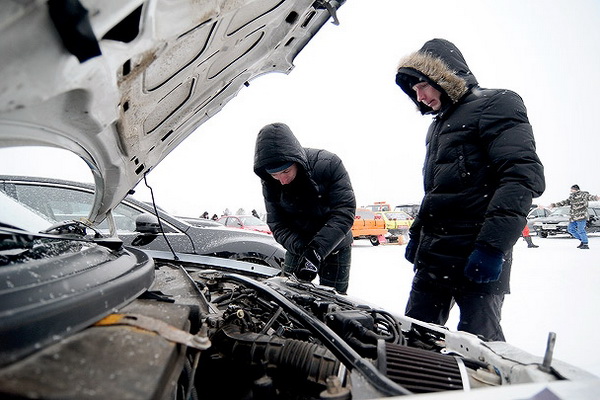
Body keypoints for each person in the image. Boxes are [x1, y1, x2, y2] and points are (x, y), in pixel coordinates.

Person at [395, 39, 545, 341]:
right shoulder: (437, 126)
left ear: (443, 76)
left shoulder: (497, 103)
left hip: (477, 253)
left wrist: (492, 247)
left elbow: (521, 176)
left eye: (422, 85)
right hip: (435, 258)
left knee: (481, 346)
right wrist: (417, 236)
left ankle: (493, 390)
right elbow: (437, 193)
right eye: (414, 91)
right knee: (415, 339)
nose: (419, 96)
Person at [253, 122, 356, 294]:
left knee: (333, 301)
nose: (282, 180)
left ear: (296, 162)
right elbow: (277, 223)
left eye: (286, 171)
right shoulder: (270, 182)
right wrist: (303, 250)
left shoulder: (329, 164)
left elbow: (344, 212)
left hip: (336, 244)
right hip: (298, 246)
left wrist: (316, 251)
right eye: (274, 175)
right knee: (287, 296)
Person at [550, 185, 599, 249]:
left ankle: (585, 244)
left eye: (572, 189)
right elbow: (564, 202)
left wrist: (596, 198)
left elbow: (590, 197)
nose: (571, 191)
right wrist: (553, 205)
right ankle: (582, 240)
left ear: (576, 189)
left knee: (581, 230)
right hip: (573, 217)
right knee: (570, 229)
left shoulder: (583, 195)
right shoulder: (572, 197)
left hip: (581, 216)